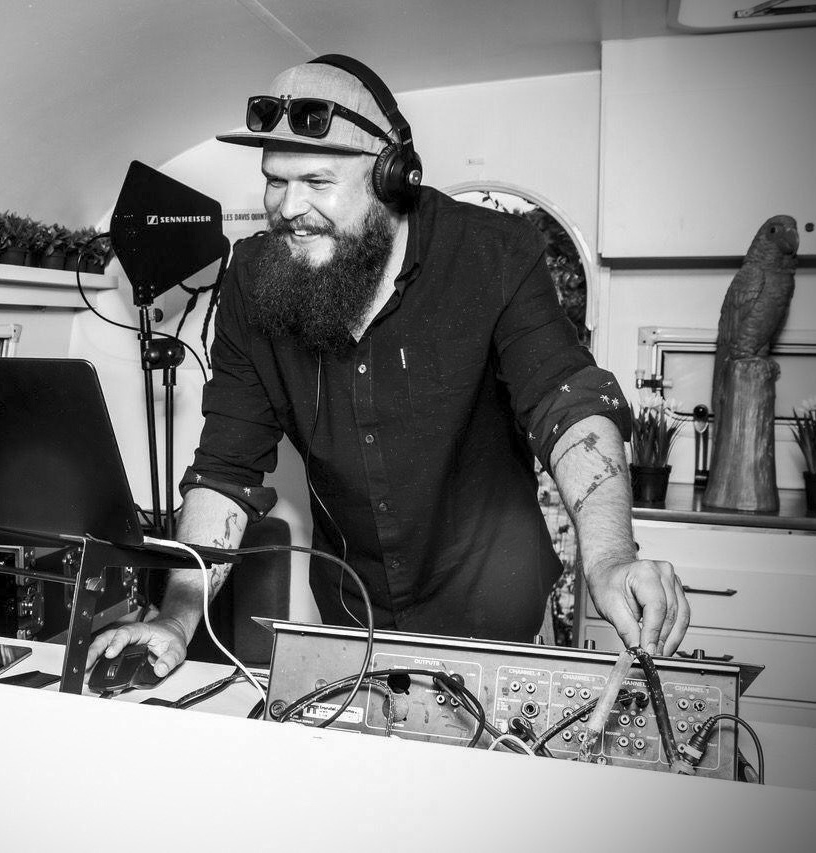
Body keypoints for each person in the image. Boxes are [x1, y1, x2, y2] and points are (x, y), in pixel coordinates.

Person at [88, 55, 689, 679]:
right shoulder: (250, 279)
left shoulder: (494, 253)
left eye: (316, 182)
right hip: (354, 625)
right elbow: (225, 470)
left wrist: (610, 558)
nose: (289, 207)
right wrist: (176, 618)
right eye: (275, 181)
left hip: (499, 622)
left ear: (390, 177)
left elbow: (568, 402)